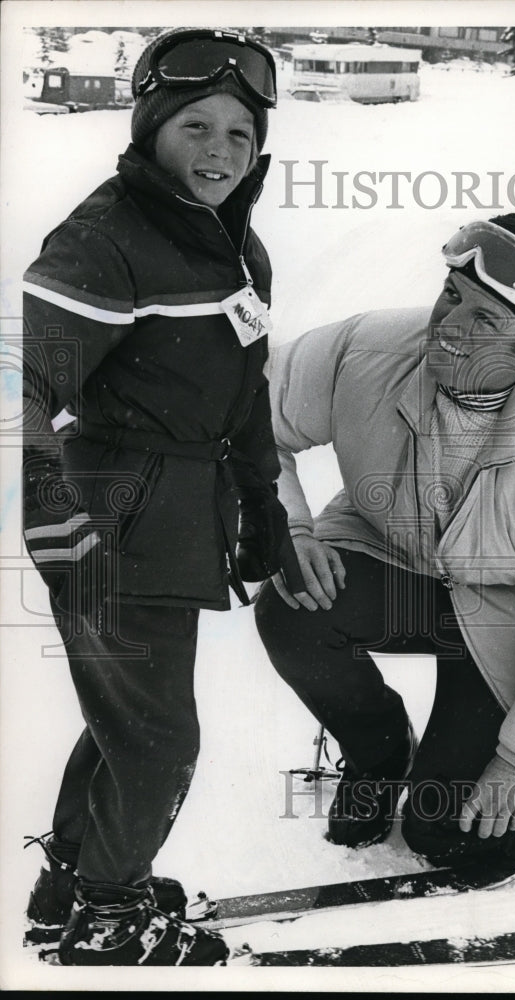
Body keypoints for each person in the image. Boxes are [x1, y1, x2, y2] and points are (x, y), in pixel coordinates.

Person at [22, 28, 302, 966]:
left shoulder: (231, 245)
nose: (220, 150)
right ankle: (109, 914)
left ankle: (74, 878)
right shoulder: (104, 240)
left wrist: (260, 501)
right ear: (150, 129)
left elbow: (245, 386)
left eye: (239, 132)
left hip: (181, 518)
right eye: (195, 126)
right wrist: (60, 528)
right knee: (158, 742)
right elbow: (22, 383)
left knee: (127, 725)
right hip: (110, 528)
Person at [255, 215, 515, 874]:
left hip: (502, 616)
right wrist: (291, 528)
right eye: (451, 294)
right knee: (292, 607)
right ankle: (377, 756)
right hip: (388, 554)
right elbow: (251, 423)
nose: (449, 324)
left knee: (443, 832)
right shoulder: (368, 348)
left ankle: (463, 781)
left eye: (486, 322)